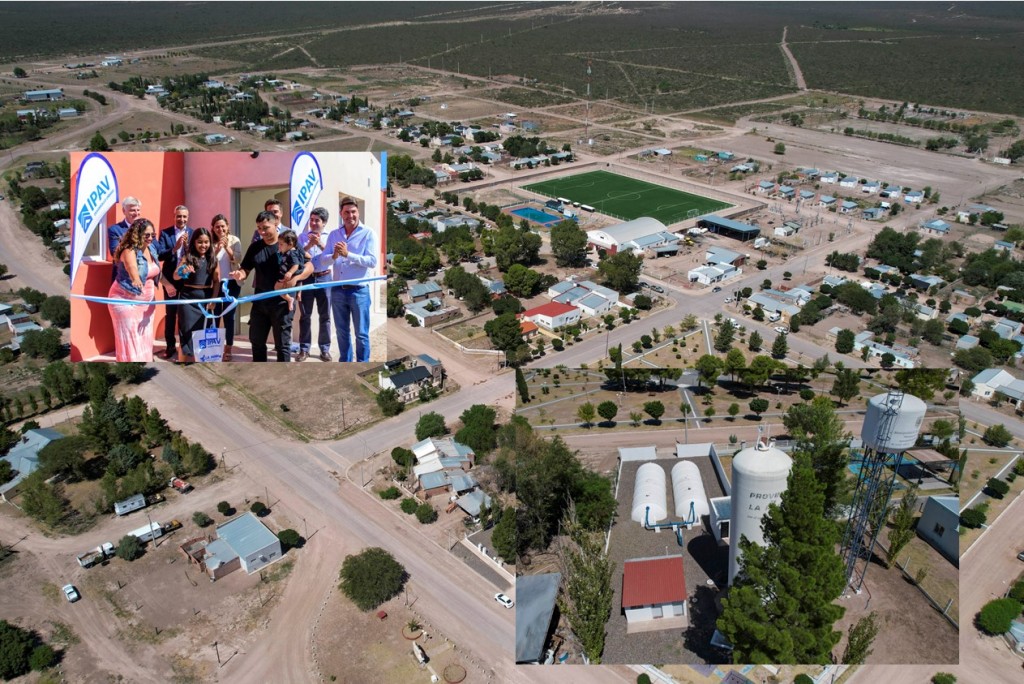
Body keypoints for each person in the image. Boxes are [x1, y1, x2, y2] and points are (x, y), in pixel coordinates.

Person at [231, 211, 312, 362]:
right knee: (256, 342)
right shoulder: (255, 247)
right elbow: (246, 269)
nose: (262, 232)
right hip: (260, 301)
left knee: (282, 345)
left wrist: (296, 279)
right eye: (259, 228)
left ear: (276, 224)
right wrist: (239, 274)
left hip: (282, 302)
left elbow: (310, 265)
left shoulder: (288, 242)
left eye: (265, 228)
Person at [314, 197, 378, 362]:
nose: (350, 215)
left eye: (353, 212)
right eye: (346, 212)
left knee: (361, 334)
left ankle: (362, 363)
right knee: (342, 333)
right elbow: (323, 260)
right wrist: (334, 255)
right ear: (341, 214)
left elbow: (372, 261)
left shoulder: (368, 233)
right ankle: (345, 362)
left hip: (359, 291)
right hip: (338, 291)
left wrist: (348, 254)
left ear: (358, 212)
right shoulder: (335, 234)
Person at [107, 218, 160, 361]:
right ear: (137, 234)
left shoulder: (151, 248)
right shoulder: (129, 250)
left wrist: (168, 284)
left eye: (152, 235)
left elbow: (153, 270)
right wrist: (136, 279)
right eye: (147, 235)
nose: (150, 238)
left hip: (146, 305)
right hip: (125, 301)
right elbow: (132, 268)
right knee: (132, 341)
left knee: (144, 339)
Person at [173, 228, 220, 363]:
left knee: (202, 335)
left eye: (206, 242)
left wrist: (213, 300)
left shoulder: (213, 259)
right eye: (200, 242)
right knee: (186, 334)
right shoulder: (187, 258)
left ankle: (198, 365)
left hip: (205, 300)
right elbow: (175, 276)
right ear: (194, 242)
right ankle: (182, 364)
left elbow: (216, 282)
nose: (203, 245)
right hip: (187, 300)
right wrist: (182, 270)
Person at [295, 206, 332, 362]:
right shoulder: (302, 237)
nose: (313, 223)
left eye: (317, 220)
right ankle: (304, 348)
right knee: (305, 315)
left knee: (325, 316)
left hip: (324, 278)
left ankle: (325, 349)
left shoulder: (330, 236)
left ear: (324, 223)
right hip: (307, 279)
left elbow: (332, 255)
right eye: (311, 220)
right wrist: (309, 244)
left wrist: (320, 244)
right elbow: (296, 256)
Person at [156, 205, 192, 360]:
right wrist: (175, 247)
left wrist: (187, 247)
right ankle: (170, 345)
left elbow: (197, 255)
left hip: (187, 281)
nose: (181, 219)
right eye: (178, 216)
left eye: (184, 216)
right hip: (170, 280)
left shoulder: (192, 233)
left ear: (187, 217)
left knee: (186, 313)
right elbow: (159, 256)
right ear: (174, 216)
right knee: (170, 313)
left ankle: (185, 346)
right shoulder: (165, 233)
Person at [211, 214, 242, 362]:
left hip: (232, 283)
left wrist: (227, 247)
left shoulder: (235, 240)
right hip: (216, 284)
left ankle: (228, 347)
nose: (220, 229)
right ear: (213, 228)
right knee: (216, 315)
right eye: (217, 226)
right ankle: (216, 347)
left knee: (229, 316)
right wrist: (217, 249)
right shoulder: (210, 242)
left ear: (227, 227)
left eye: (223, 226)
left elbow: (237, 259)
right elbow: (209, 262)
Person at [274, 230, 304, 311]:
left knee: (277, 287)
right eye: (278, 244)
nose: (279, 246)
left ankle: (289, 299)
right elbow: (306, 255)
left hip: (290, 276)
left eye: (281, 244)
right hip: (289, 275)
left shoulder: (292, 253)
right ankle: (297, 293)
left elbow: (296, 264)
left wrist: (290, 272)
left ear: (290, 245)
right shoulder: (290, 251)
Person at [108, 196, 142, 262]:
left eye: (138, 210)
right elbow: (115, 253)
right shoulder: (115, 229)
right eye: (132, 210)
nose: (136, 213)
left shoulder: (146, 228)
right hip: (123, 270)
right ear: (124, 211)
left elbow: (156, 249)